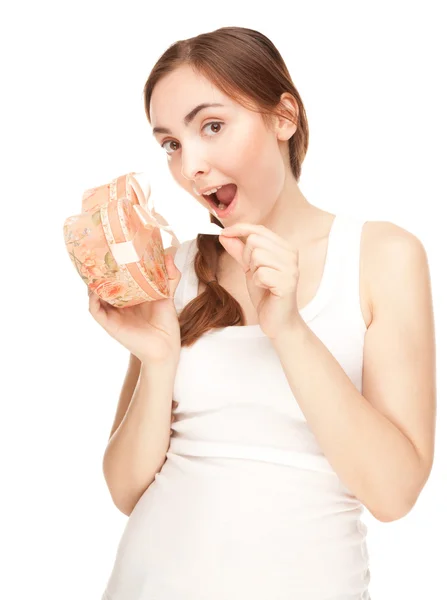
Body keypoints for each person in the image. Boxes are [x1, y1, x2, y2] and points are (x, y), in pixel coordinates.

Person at [90, 26, 436, 600]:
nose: (190, 166)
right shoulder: (171, 270)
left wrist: (289, 330)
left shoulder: (382, 256)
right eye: (171, 143)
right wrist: (157, 358)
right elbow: (125, 490)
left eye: (212, 126)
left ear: (284, 117)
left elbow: (394, 494)